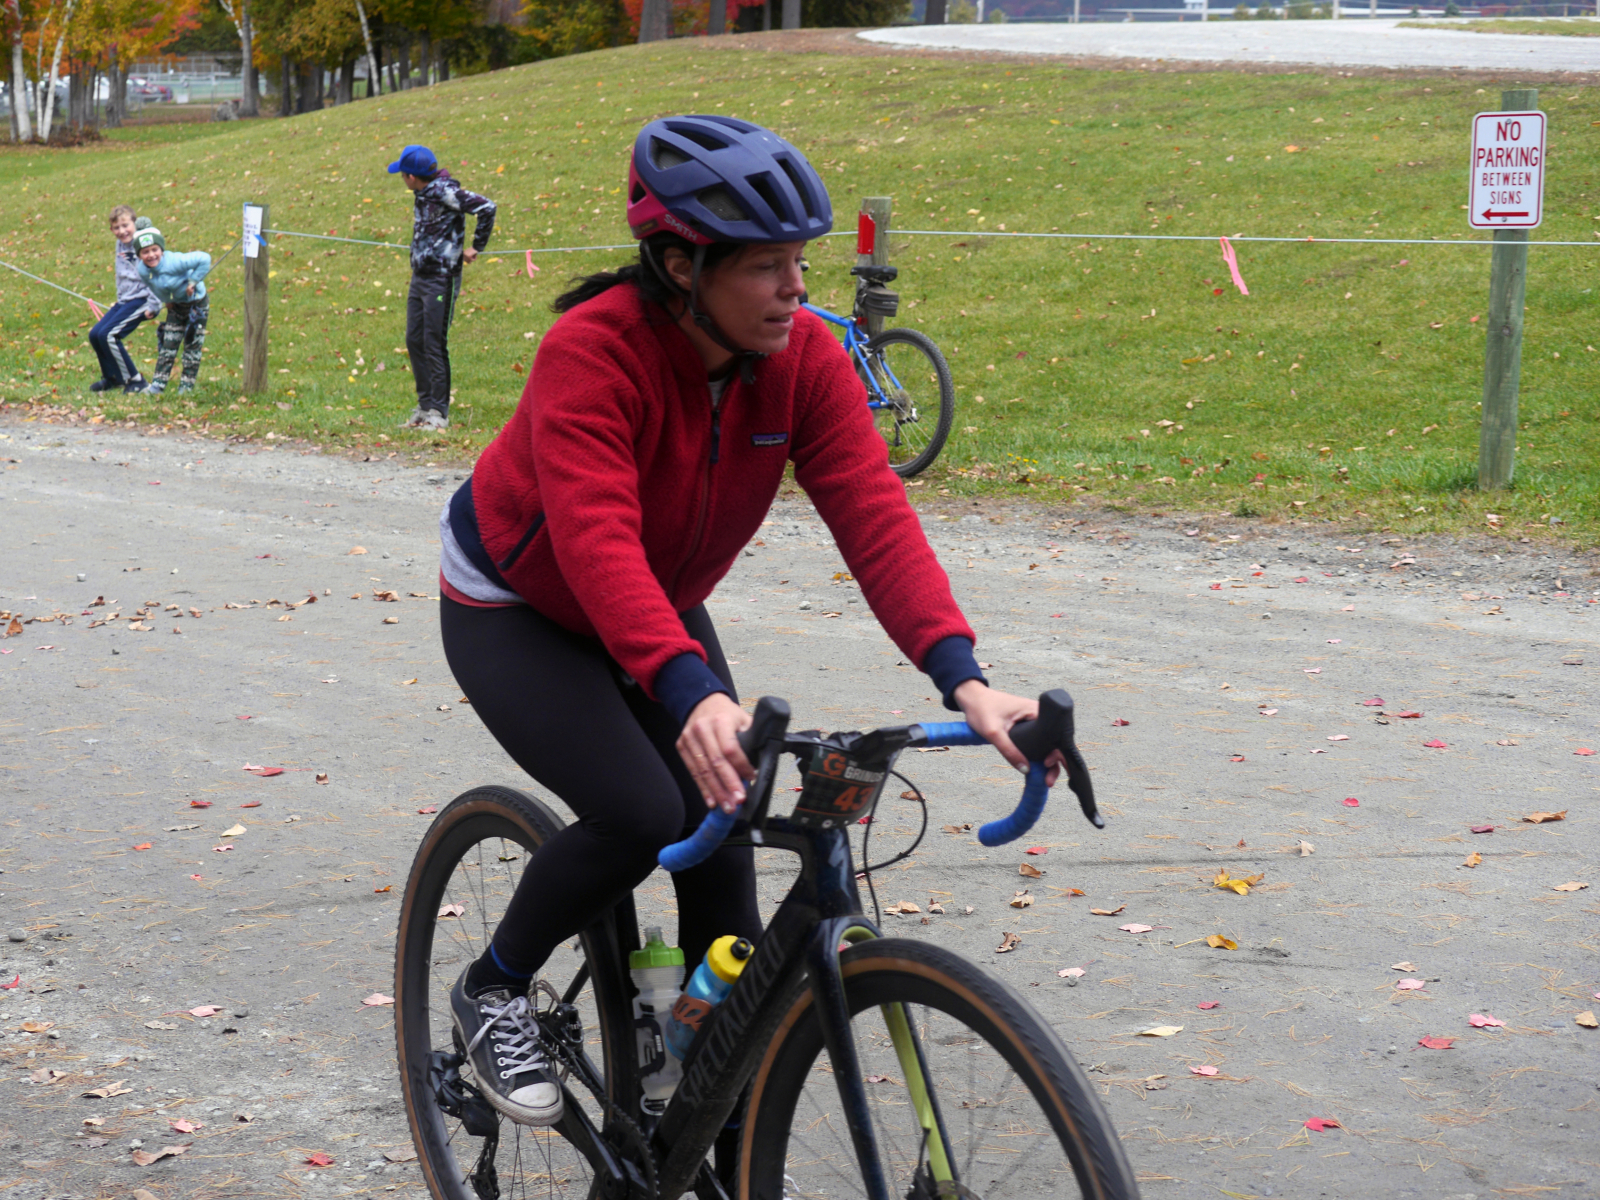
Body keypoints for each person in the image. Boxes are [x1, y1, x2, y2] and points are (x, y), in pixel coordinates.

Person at [435, 115, 1058, 1134]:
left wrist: (967, 680)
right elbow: (596, 542)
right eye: (766, 266)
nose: (795, 289)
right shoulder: (591, 353)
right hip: (519, 600)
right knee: (643, 812)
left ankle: (702, 1109)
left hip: (655, 599)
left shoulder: (803, 360)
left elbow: (874, 515)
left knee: (723, 831)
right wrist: (688, 695)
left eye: (800, 262)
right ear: (681, 265)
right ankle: (494, 986)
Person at [388, 144, 496, 431]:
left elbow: (487, 207)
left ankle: (439, 412)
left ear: (412, 176)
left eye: (402, 174)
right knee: (414, 339)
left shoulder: (446, 193)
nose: (402, 179)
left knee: (434, 342)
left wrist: (476, 246)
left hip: (442, 279)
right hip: (419, 277)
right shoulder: (422, 194)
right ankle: (424, 407)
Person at [132, 225, 211, 396]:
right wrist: (166, 301)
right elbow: (155, 287)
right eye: (145, 252)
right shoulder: (143, 270)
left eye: (155, 250)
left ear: (161, 249)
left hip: (196, 305)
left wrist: (193, 282)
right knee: (169, 344)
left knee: (192, 344)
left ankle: (186, 387)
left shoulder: (175, 261)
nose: (151, 255)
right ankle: (157, 385)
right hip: (176, 307)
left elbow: (204, 259)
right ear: (139, 255)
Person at [88, 208, 160, 394]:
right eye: (116, 227)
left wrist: (154, 305)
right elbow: (123, 274)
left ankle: (136, 380)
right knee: (96, 334)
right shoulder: (120, 245)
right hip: (125, 300)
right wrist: (120, 301)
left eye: (126, 225)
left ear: (135, 223)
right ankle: (113, 378)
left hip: (144, 299)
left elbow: (157, 275)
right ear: (111, 230)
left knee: (109, 335)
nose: (122, 231)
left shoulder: (143, 245)